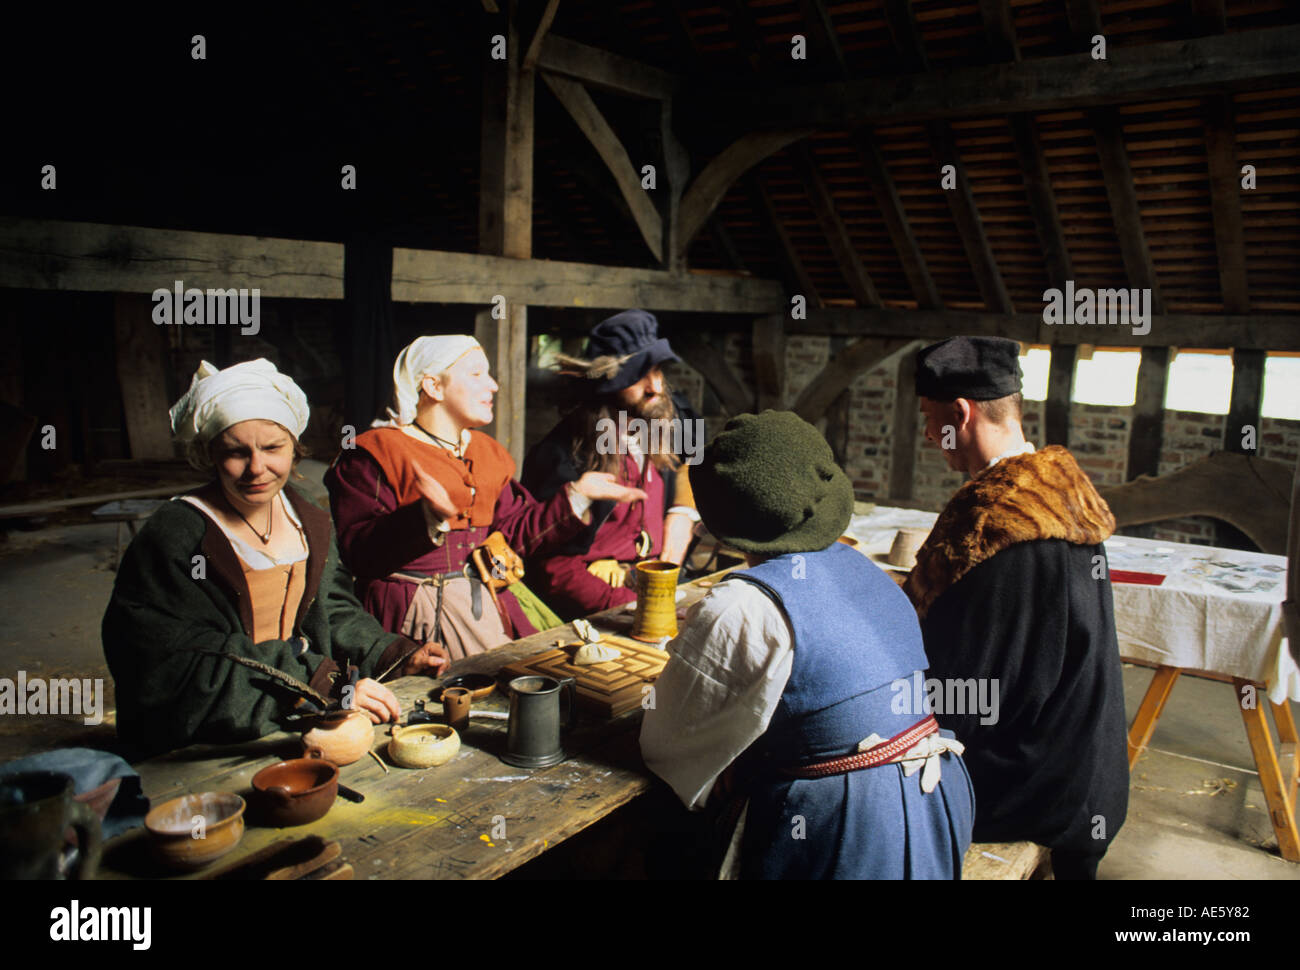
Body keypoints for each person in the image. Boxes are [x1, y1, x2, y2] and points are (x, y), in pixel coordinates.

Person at [640, 410, 974, 879]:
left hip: (848, 826)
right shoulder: (870, 574)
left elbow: (669, 743)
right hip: (934, 805)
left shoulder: (741, 606)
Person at [102, 359, 445, 755]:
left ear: (295, 449)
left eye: (272, 447)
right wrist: (321, 683)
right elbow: (177, 659)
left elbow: (332, 612)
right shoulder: (177, 535)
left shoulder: (308, 521)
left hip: (300, 711)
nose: (257, 468)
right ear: (209, 454)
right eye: (235, 452)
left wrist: (391, 653)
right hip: (208, 734)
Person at [902, 335, 1129, 879]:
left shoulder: (998, 530)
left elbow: (965, 699)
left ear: (962, 412)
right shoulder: (1059, 496)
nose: (931, 435)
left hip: (1036, 786)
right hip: (1091, 767)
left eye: (932, 419)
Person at [325, 335, 645, 659]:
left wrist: (577, 494)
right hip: (412, 614)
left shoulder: (486, 452)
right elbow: (358, 553)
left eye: (489, 375)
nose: (492, 386)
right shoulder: (375, 453)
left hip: (487, 602)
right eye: (477, 374)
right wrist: (424, 518)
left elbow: (513, 537)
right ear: (434, 386)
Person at [521, 310, 701, 619]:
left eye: (657, 371)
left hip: (657, 585)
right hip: (594, 609)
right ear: (607, 383)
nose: (655, 388)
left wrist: (682, 512)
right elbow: (552, 570)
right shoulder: (562, 457)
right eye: (637, 377)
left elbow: (692, 459)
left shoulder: (664, 419)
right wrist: (634, 606)